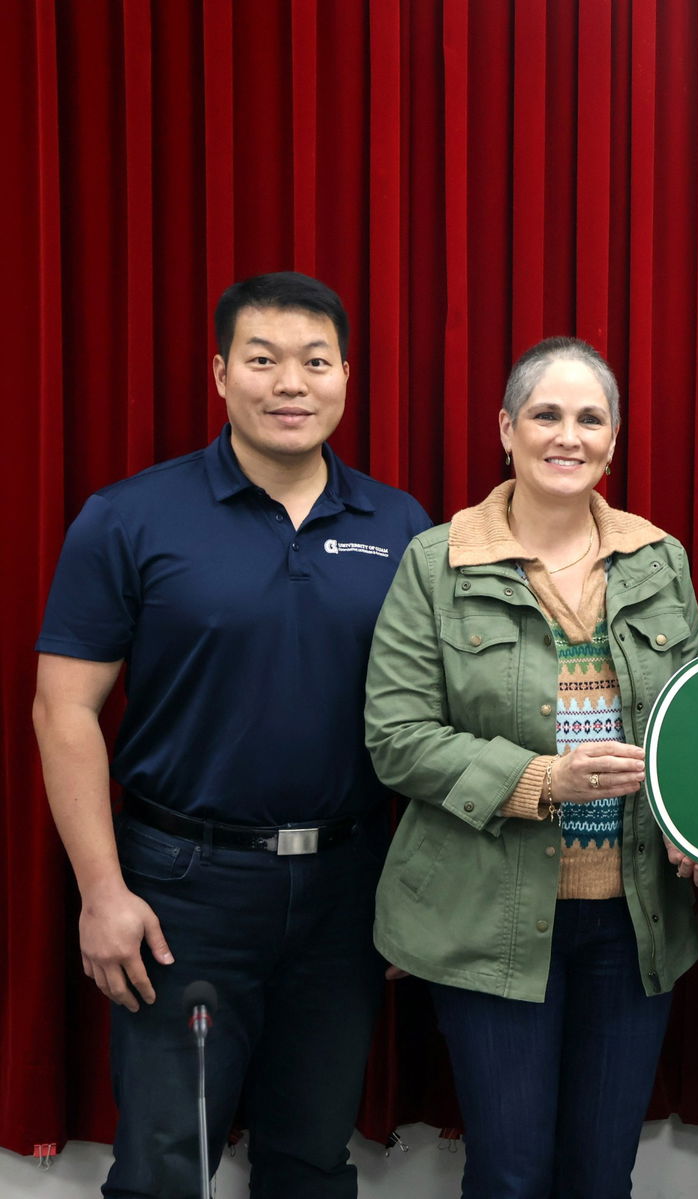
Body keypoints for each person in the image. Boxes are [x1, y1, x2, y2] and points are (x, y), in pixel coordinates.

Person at [32, 271, 431, 1197]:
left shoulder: (401, 526)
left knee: (311, 1158)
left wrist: (415, 894)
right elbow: (64, 711)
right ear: (219, 374)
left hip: (347, 889)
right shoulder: (130, 518)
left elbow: (427, 720)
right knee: (169, 1164)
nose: (290, 383)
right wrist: (101, 891)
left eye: (314, 361)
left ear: (345, 376)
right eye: (263, 359)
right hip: (183, 892)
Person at [364, 337, 698, 1198]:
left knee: (603, 1174)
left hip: (635, 923)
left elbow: (695, 728)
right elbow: (396, 735)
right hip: (490, 921)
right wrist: (541, 780)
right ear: (507, 430)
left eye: (590, 418)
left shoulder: (659, 558)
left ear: (614, 438)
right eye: (546, 415)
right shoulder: (436, 561)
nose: (569, 435)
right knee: (511, 1175)